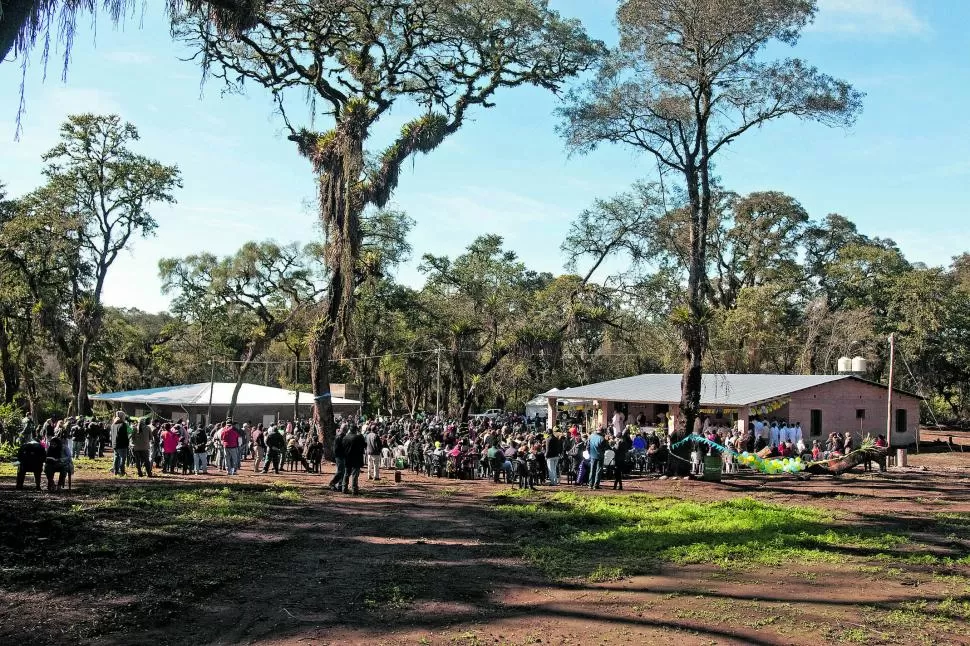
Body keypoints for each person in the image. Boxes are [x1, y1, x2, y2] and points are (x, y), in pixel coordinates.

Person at [342, 424, 367, 495]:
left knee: (346, 474)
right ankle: (354, 490)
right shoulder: (358, 437)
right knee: (355, 475)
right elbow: (364, 445)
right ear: (356, 430)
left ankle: (344, 488)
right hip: (356, 458)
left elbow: (343, 447)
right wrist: (361, 436)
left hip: (347, 457)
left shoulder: (345, 437)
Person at [110, 412, 130, 476]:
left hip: (115, 444)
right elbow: (128, 433)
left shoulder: (113, 424)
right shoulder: (123, 424)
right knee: (123, 459)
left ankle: (116, 471)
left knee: (116, 458)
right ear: (122, 417)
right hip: (122, 445)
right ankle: (122, 471)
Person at [329, 426, 348, 491]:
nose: (346, 430)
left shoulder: (343, 436)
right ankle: (332, 483)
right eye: (345, 429)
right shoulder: (339, 437)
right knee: (340, 471)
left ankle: (340, 485)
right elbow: (336, 449)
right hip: (339, 456)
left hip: (342, 456)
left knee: (343, 471)